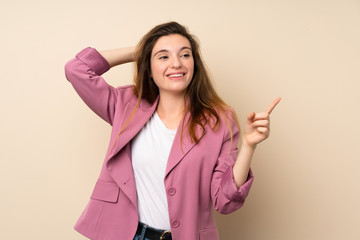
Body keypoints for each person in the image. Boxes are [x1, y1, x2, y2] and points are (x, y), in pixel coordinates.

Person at [65, 21, 280, 240]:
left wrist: (249, 147)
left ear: (194, 64)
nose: (176, 63)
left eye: (185, 55)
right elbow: (76, 69)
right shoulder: (125, 105)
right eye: (163, 57)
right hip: (128, 235)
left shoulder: (219, 120)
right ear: (148, 68)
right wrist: (143, 49)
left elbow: (225, 201)